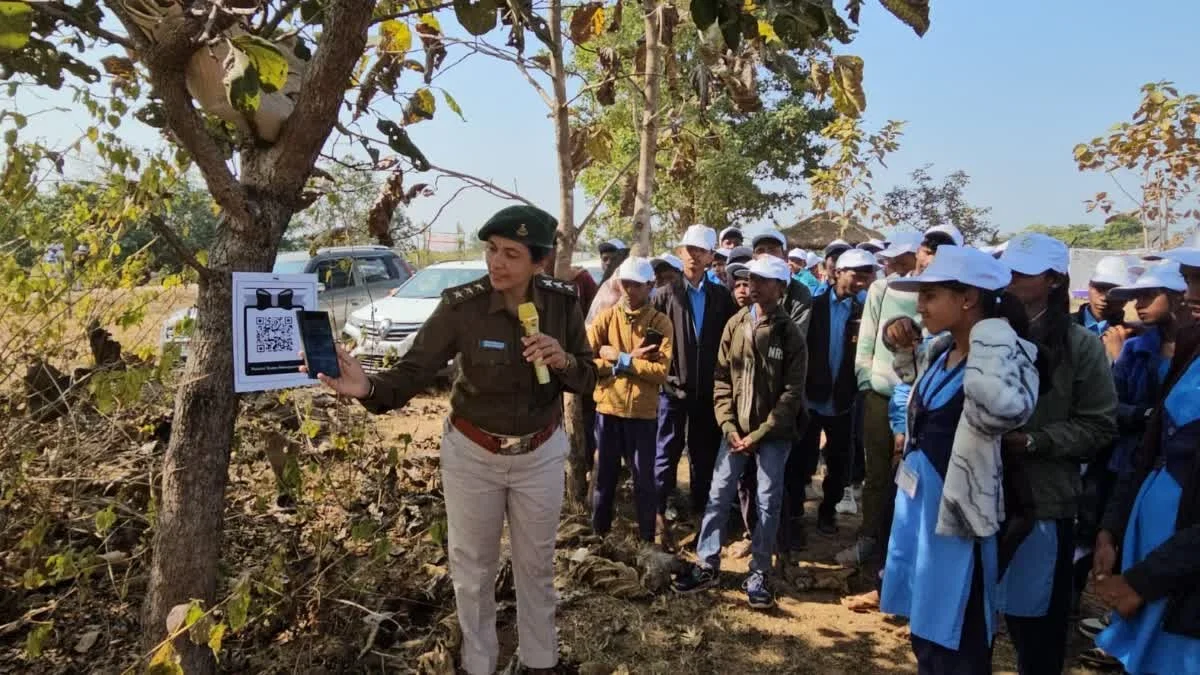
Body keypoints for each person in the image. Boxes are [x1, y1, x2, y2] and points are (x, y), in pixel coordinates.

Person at [309, 205, 596, 675]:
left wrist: (563, 359)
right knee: (473, 570)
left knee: (537, 568)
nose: (496, 262)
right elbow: (413, 370)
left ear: (539, 262)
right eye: (491, 250)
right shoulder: (461, 306)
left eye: (511, 254)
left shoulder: (563, 304)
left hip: (540, 454)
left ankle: (540, 662)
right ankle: (478, 664)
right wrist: (368, 388)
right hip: (473, 455)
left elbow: (588, 377)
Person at [879, 244, 1042, 674]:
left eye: (931, 295)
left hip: (960, 517)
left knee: (957, 626)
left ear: (968, 298)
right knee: (926, 619)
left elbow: (1005, 408)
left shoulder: (1003, 356)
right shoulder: (942, 352)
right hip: (922, 508)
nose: (920, 306)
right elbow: (913, 393)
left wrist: (990, 334)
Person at [995, 232, 1118, 675]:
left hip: (1043, 501)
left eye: (1023, 272)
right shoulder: (988, 333)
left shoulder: (1080, 346)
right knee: (975, 619)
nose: (1011, 278)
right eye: (1008, 269)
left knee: (1037, 628)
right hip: (982, 497)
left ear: (1053, 280)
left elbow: (1099, 425)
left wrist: (1034, 441)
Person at [672, 256, 808, 609]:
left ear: (781, 288)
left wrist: (759, 434)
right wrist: (729, 426)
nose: (753, 286)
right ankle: (707, 564)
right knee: (718, 494)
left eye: (763, 281)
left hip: (773, 435)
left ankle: (760, 571)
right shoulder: (735, 324)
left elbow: (792, 394)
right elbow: (721, 379)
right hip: (734, 434)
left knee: (767, 501)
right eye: (750, 279)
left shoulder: (789, 334)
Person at [1091, 245, 1200, 675]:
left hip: (1181, 576)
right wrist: (1112, 529)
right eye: (1190, 280)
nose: (1193, 293)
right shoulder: (1191, 352)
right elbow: (1148, 451)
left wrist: (1146, 579)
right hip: (1152, 551)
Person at [836, 231, 925, 579]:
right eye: (892, 258)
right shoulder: (881, 289)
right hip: (879, 394)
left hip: (919, 399)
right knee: (876, 474)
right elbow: (868, 339)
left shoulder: (931, 290)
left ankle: (900, 548)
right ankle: (869, 538)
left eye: (904, 257)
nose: (896, 263)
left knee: (911, 475)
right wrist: (865, 381)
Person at [653, 225, 737, 543]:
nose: (693, 256)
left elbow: (730, 341)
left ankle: (702, 514)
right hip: (672, 390)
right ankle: (658, 515)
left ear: (711, 256)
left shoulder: (721, 297)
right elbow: (650, 342)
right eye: (689, 249)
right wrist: (664, 375)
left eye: (700, 251)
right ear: (680, 252)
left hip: (708, 392)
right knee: (666, 453)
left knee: (704, 456)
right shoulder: (664, 295)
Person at [786, 248, 877, 541]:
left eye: (867, 276)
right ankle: (795, 515)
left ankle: (828, 511)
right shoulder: (813, 307)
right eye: (856, 275)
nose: (862, 282)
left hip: (843, 400)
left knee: (840, 463)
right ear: (837, 273)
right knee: (801, 460)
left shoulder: (865, 312)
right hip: (810, 399)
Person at [587, 257, 674, 543]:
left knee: (644, 481)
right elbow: (586, 360)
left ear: (650, 285)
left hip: (642, 415)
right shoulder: (606, 318)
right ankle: (598, 538)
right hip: (608, 410)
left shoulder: (660, 323)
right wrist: (619, 363)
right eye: (625, 283)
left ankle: (646, 541)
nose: (629, 290)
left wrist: (620, 358)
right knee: (604, 479)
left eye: (636, 285)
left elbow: (660, 372)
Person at [750, 229, 813, 336]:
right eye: (760, 251)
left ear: (785, 255)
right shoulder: (747, 287)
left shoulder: (800, 292)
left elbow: (795, 338)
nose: (766, 255)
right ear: (754, 257)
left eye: (772, 250)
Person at [1078, 255, 1134, 337]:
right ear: (1089, 286)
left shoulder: (1134, 337)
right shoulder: (1064, 327)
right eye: (1099, 289)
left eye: (1113, 292)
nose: (1104, 298)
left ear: (1125, 298)